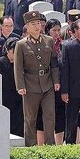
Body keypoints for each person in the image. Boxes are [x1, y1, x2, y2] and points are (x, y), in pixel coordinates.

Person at [14, 11, 60, 146]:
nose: (36, 26)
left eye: (38, 23)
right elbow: (18, 67)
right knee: (30, 118)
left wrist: (56, 81)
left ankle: (50, 145)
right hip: (30, 85)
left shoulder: (49, 40)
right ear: (27, 26)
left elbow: (54, 63)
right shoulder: (21, 44)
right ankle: (31, 146)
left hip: (47, 84)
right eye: (33, 24)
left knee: (50, 116)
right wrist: (20, 86)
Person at [0, 38, 24, 137]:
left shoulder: (22, 63)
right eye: (13, 52)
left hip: (19, 98)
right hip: (4, 98)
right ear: (7, 50)